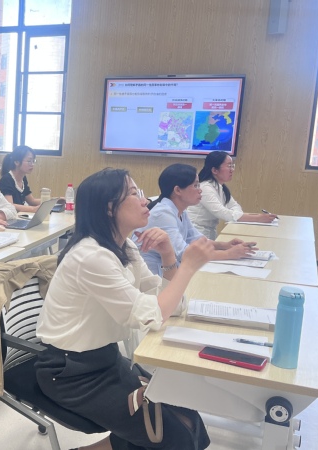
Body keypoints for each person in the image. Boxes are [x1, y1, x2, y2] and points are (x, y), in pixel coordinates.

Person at [35, 168, 215, 450]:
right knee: (172, 434)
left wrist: (168, 255)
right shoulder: (90, 256)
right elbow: (150, 316)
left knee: (186, 416)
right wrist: (188, 267)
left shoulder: (125, 247)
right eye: (133, 193)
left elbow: (170, 305)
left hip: (106, 361)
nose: (145, 201)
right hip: (71, 373)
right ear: (109, 207)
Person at [134, 164, 257, 276]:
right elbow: (183, 254)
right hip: (151, 276)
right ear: (178, 190)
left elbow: (197, 239)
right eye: (196, 185)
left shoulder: (180, 210)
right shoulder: (163, 213)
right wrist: (228, 254)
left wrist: (225, 245)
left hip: (168, 271)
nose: (200, 190)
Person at [187, 151, 277, 239]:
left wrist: (245, 216)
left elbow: (235, 206)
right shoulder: (205, 187)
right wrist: (257, 218)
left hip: (208, 232)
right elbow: (222, 213)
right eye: (229, 166)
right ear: (215, 170)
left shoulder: (221, 187)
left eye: (232, 166)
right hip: (196, 233)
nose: (232, 170)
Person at [0, 145, 42, 213]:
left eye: (33, 161)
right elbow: (10, 205)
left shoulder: (23, 178)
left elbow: (32, 201)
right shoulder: (6, 179)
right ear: (16, 162)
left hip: (19, 216)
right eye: (29, 161)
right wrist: (33, 209)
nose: (32, 164)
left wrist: (53, 201)